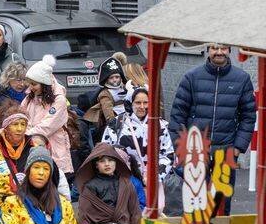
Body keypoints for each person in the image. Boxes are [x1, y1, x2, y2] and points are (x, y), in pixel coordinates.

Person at [168, 42, 255, 212]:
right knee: (195, 205)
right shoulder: (191, 77)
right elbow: (178, 116)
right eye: (215, 48)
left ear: (229, 50)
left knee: (221, 205)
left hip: (226, 152)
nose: (219, 52)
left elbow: (248, 116)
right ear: (208, 50)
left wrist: (237, 148)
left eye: (223, 48)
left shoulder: (242, 79)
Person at [20, 55, 74, 184]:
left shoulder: (59, 100)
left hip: (54, 148)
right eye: (29, 83)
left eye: (34, 84)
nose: (30, 87)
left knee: (56, 185)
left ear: (44, 83)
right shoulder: (30, 98)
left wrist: (24, 135)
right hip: (33, 147)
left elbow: (47, 126)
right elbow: (21, 116)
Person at [103, 86, 174, 183]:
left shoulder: (160, 125)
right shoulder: (117, 124)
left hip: (153, 183)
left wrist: (155, 177)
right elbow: (107, 152)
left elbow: (167, 154)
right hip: (125, 182)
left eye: (145, 102)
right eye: (138, 103)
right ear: (130, 103)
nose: (142, 107)